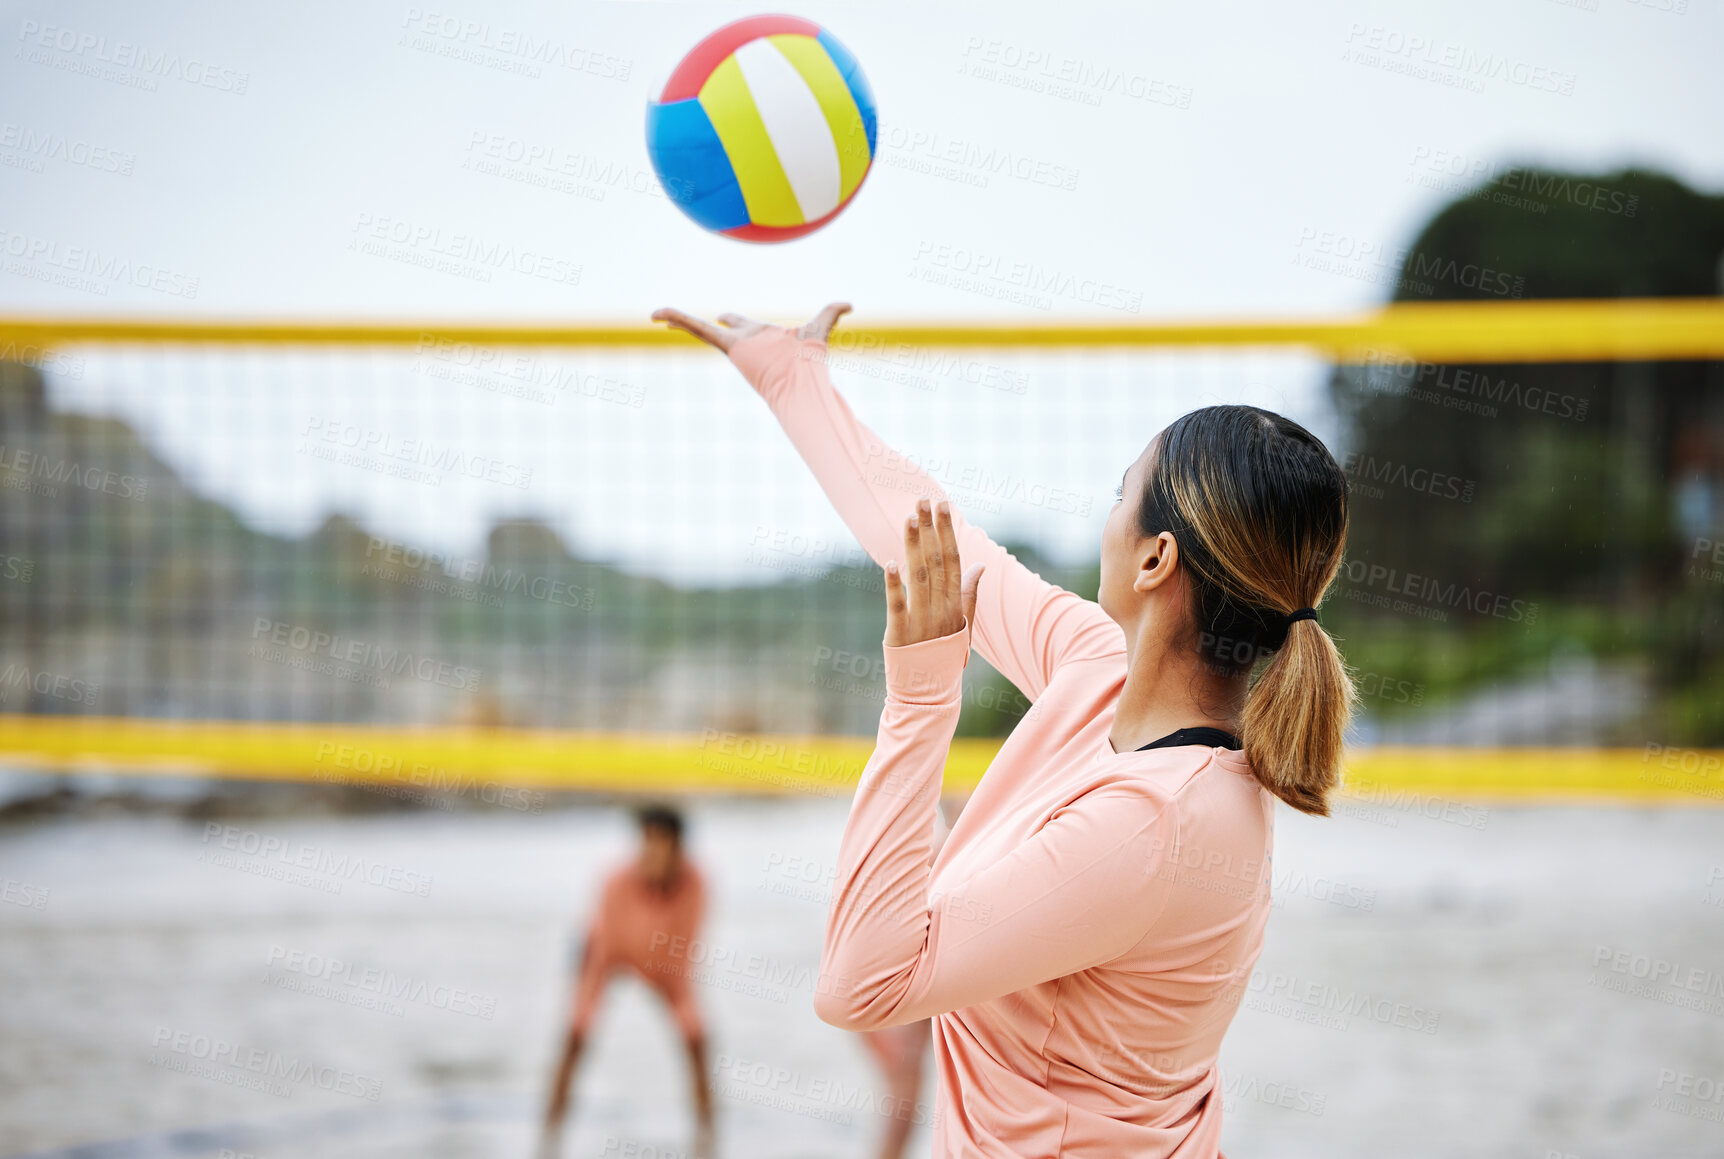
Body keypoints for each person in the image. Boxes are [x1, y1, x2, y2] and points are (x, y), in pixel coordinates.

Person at [652, 302, 1353, 1158]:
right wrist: (792, 376)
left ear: (1154, 558)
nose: (1108, 516)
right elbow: (929, 541)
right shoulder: (1099, 666)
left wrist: (919, 700)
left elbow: (860, 984)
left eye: (1118, 494)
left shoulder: (1153, 822)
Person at [539, 804, 715, 1159]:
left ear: (678, 846)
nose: (651, 851)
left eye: (659, 842)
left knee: (697, 1040)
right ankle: (549, 1140)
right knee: (574, 1037)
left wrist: (659, 978)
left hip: (666, 964)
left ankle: (707, 1143)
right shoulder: (616, 880)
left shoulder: (696, 883)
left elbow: (686, 944)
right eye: (646, 841)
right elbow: (599, 938)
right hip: (610, 954)